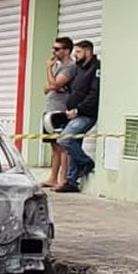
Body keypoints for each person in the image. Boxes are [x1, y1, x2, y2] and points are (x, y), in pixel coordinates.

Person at [55, 40, 101, 193]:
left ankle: (87, 162)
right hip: (73, 114)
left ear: (88, 52)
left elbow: (93, 95)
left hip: (85, 114)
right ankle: (71, 181)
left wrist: (78, 110)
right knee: (73, 144)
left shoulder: (96, 68)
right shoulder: (79, 68)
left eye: (79, 52)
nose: (75, 55)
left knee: (65, 139)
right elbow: (76, 89)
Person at [42, 37, 78, 188]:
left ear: (66, 50)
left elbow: (56, 85)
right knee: (53, 145)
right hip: (51, 108)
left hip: (60, 109)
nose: (54, 52)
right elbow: (48, 87)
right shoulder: (60, 66)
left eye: (57, 49)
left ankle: (63, 178)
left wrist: (48, 69)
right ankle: (53, 177)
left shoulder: (69, 67)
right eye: (54, 48)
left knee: (62, 145)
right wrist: (52, 85)